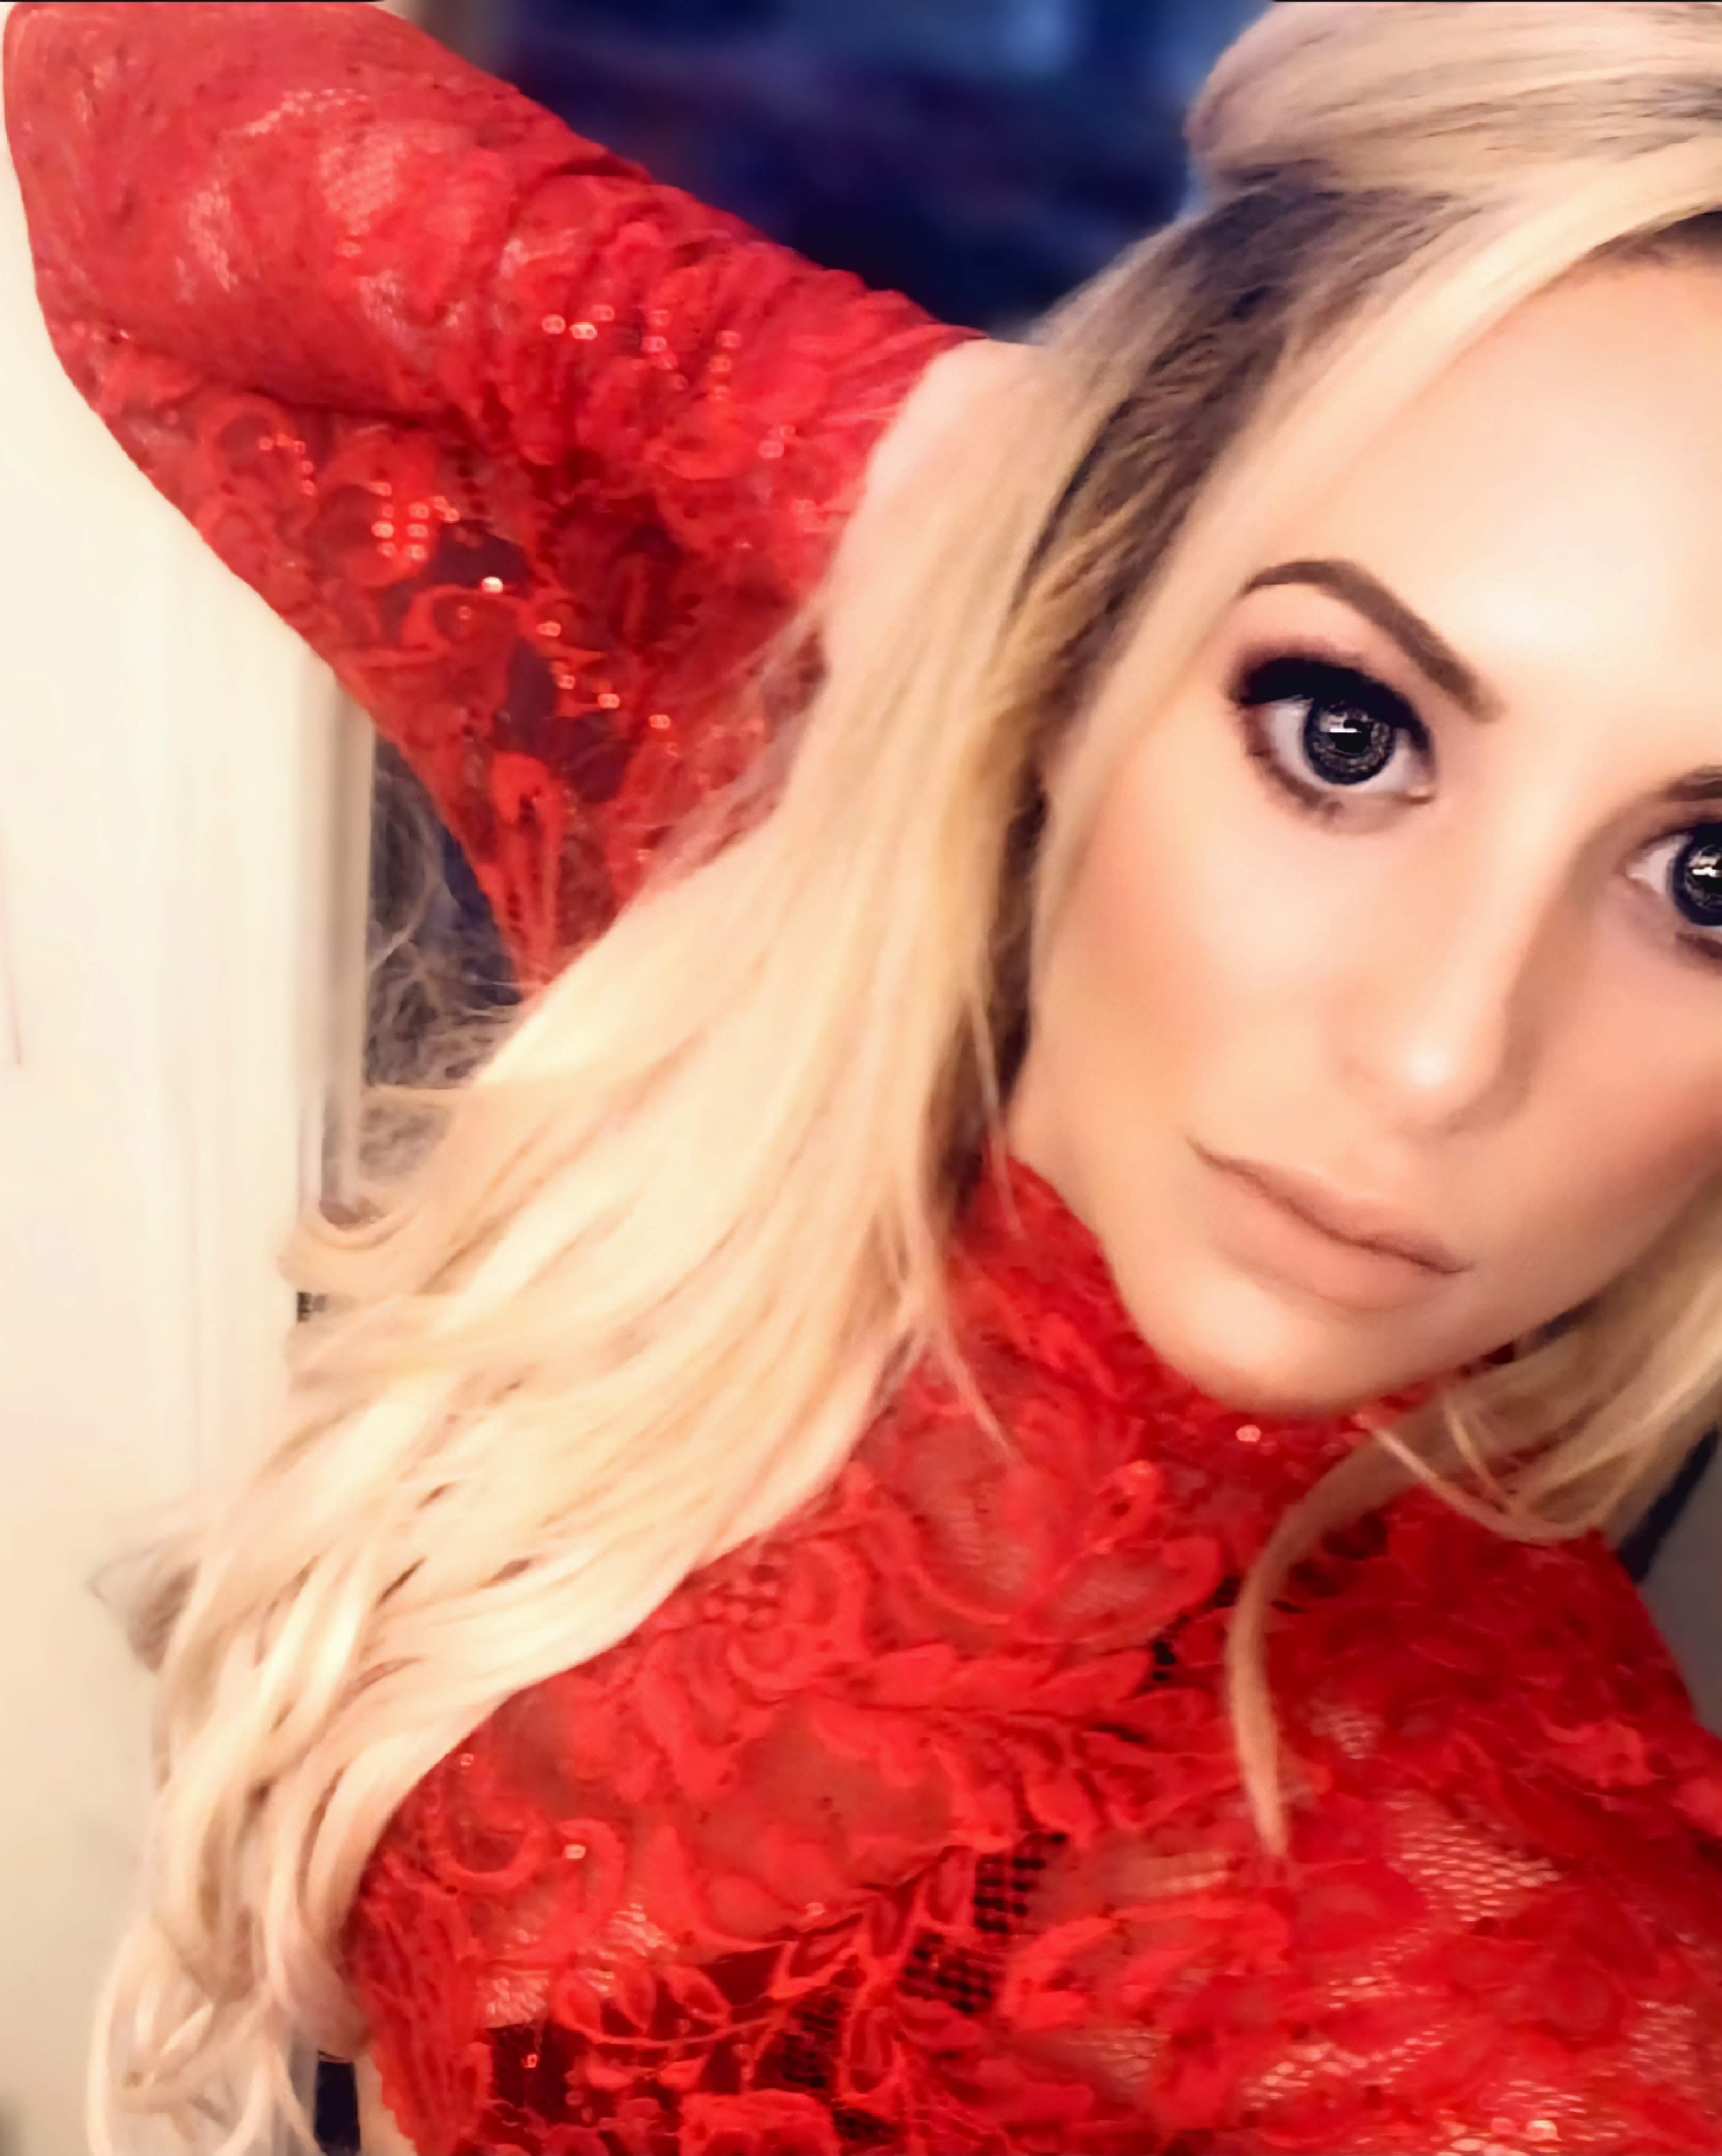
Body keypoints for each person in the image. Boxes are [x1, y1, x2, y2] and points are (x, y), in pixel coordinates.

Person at [7, 1, 1722, 2150]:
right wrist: (878, 445)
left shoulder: (1526, 1997)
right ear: (1089, 634)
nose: (1438, 1049)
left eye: (1706, 878)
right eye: (1343, 729)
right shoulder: (750, 908)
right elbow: (111, 93)